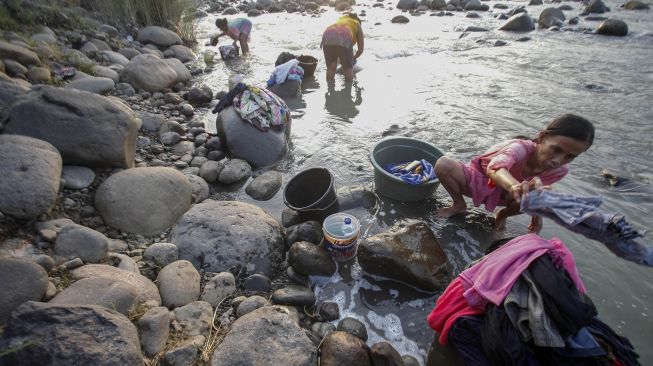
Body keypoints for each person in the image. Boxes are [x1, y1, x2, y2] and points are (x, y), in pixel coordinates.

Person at [435, 113, 595, 233]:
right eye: (556, 150)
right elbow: (495, 167)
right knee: (444, 164)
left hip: (506, 197)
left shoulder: (560, 170)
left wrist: (537, 216)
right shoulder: (519, 148)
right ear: (542, 137)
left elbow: (539, 189)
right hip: (479, 181)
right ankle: (458, 204)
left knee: (539, 195)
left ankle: (502, 216)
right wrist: (514, 186)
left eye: (570, 156)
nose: (558, 161)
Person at [321, 13, 364, 83]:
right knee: (347, 69)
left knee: (331, 67)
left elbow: (337, 45)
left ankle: (330, 91)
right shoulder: (357, 24)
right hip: (345, 35)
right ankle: (348, 92)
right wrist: (353, 58)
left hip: (328, 33)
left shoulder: (342, 19)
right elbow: (360, 50)